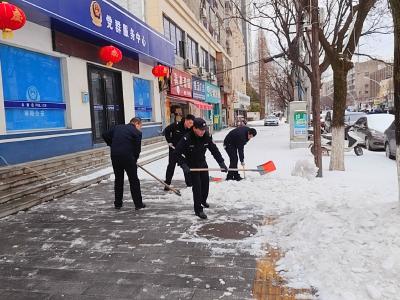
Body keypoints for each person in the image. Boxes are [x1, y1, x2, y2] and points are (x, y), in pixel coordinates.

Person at [174, 118, 228, 219]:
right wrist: (183, 164)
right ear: (194, 128)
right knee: (197, 188)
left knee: (205, 185)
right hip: (192, 165)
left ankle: (203, 200)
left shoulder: (206, 136)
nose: (203, 131)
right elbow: (176, 153)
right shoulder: (187, 138)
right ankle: (198, 209)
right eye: (201, 129)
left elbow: (214, 150)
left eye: (204, 129)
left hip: (203, 164)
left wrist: (221, 163)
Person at [102, 117, 146, 210]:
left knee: (118, 179)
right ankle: (138, 204)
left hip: (115, 156)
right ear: (136, 123)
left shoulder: (117, 127)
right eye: (140, 126)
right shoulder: (137, 132)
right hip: (128, 157)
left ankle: (118, 203)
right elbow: (137, 149)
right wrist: (135, 159)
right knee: (133, 180)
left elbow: (104, 135)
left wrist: (112, 144)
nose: (140, 128)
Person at [163, 114, 195, 190]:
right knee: (171, 166)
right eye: (190, 123)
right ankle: (167, 184)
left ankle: (189, 185)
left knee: (185, 166)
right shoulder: (176, 125)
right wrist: (169, 141)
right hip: (174, 149)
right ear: (186, 120)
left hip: (184, 151)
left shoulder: (191, 129)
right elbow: (166, 130)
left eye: (192, 123)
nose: (191, 125)